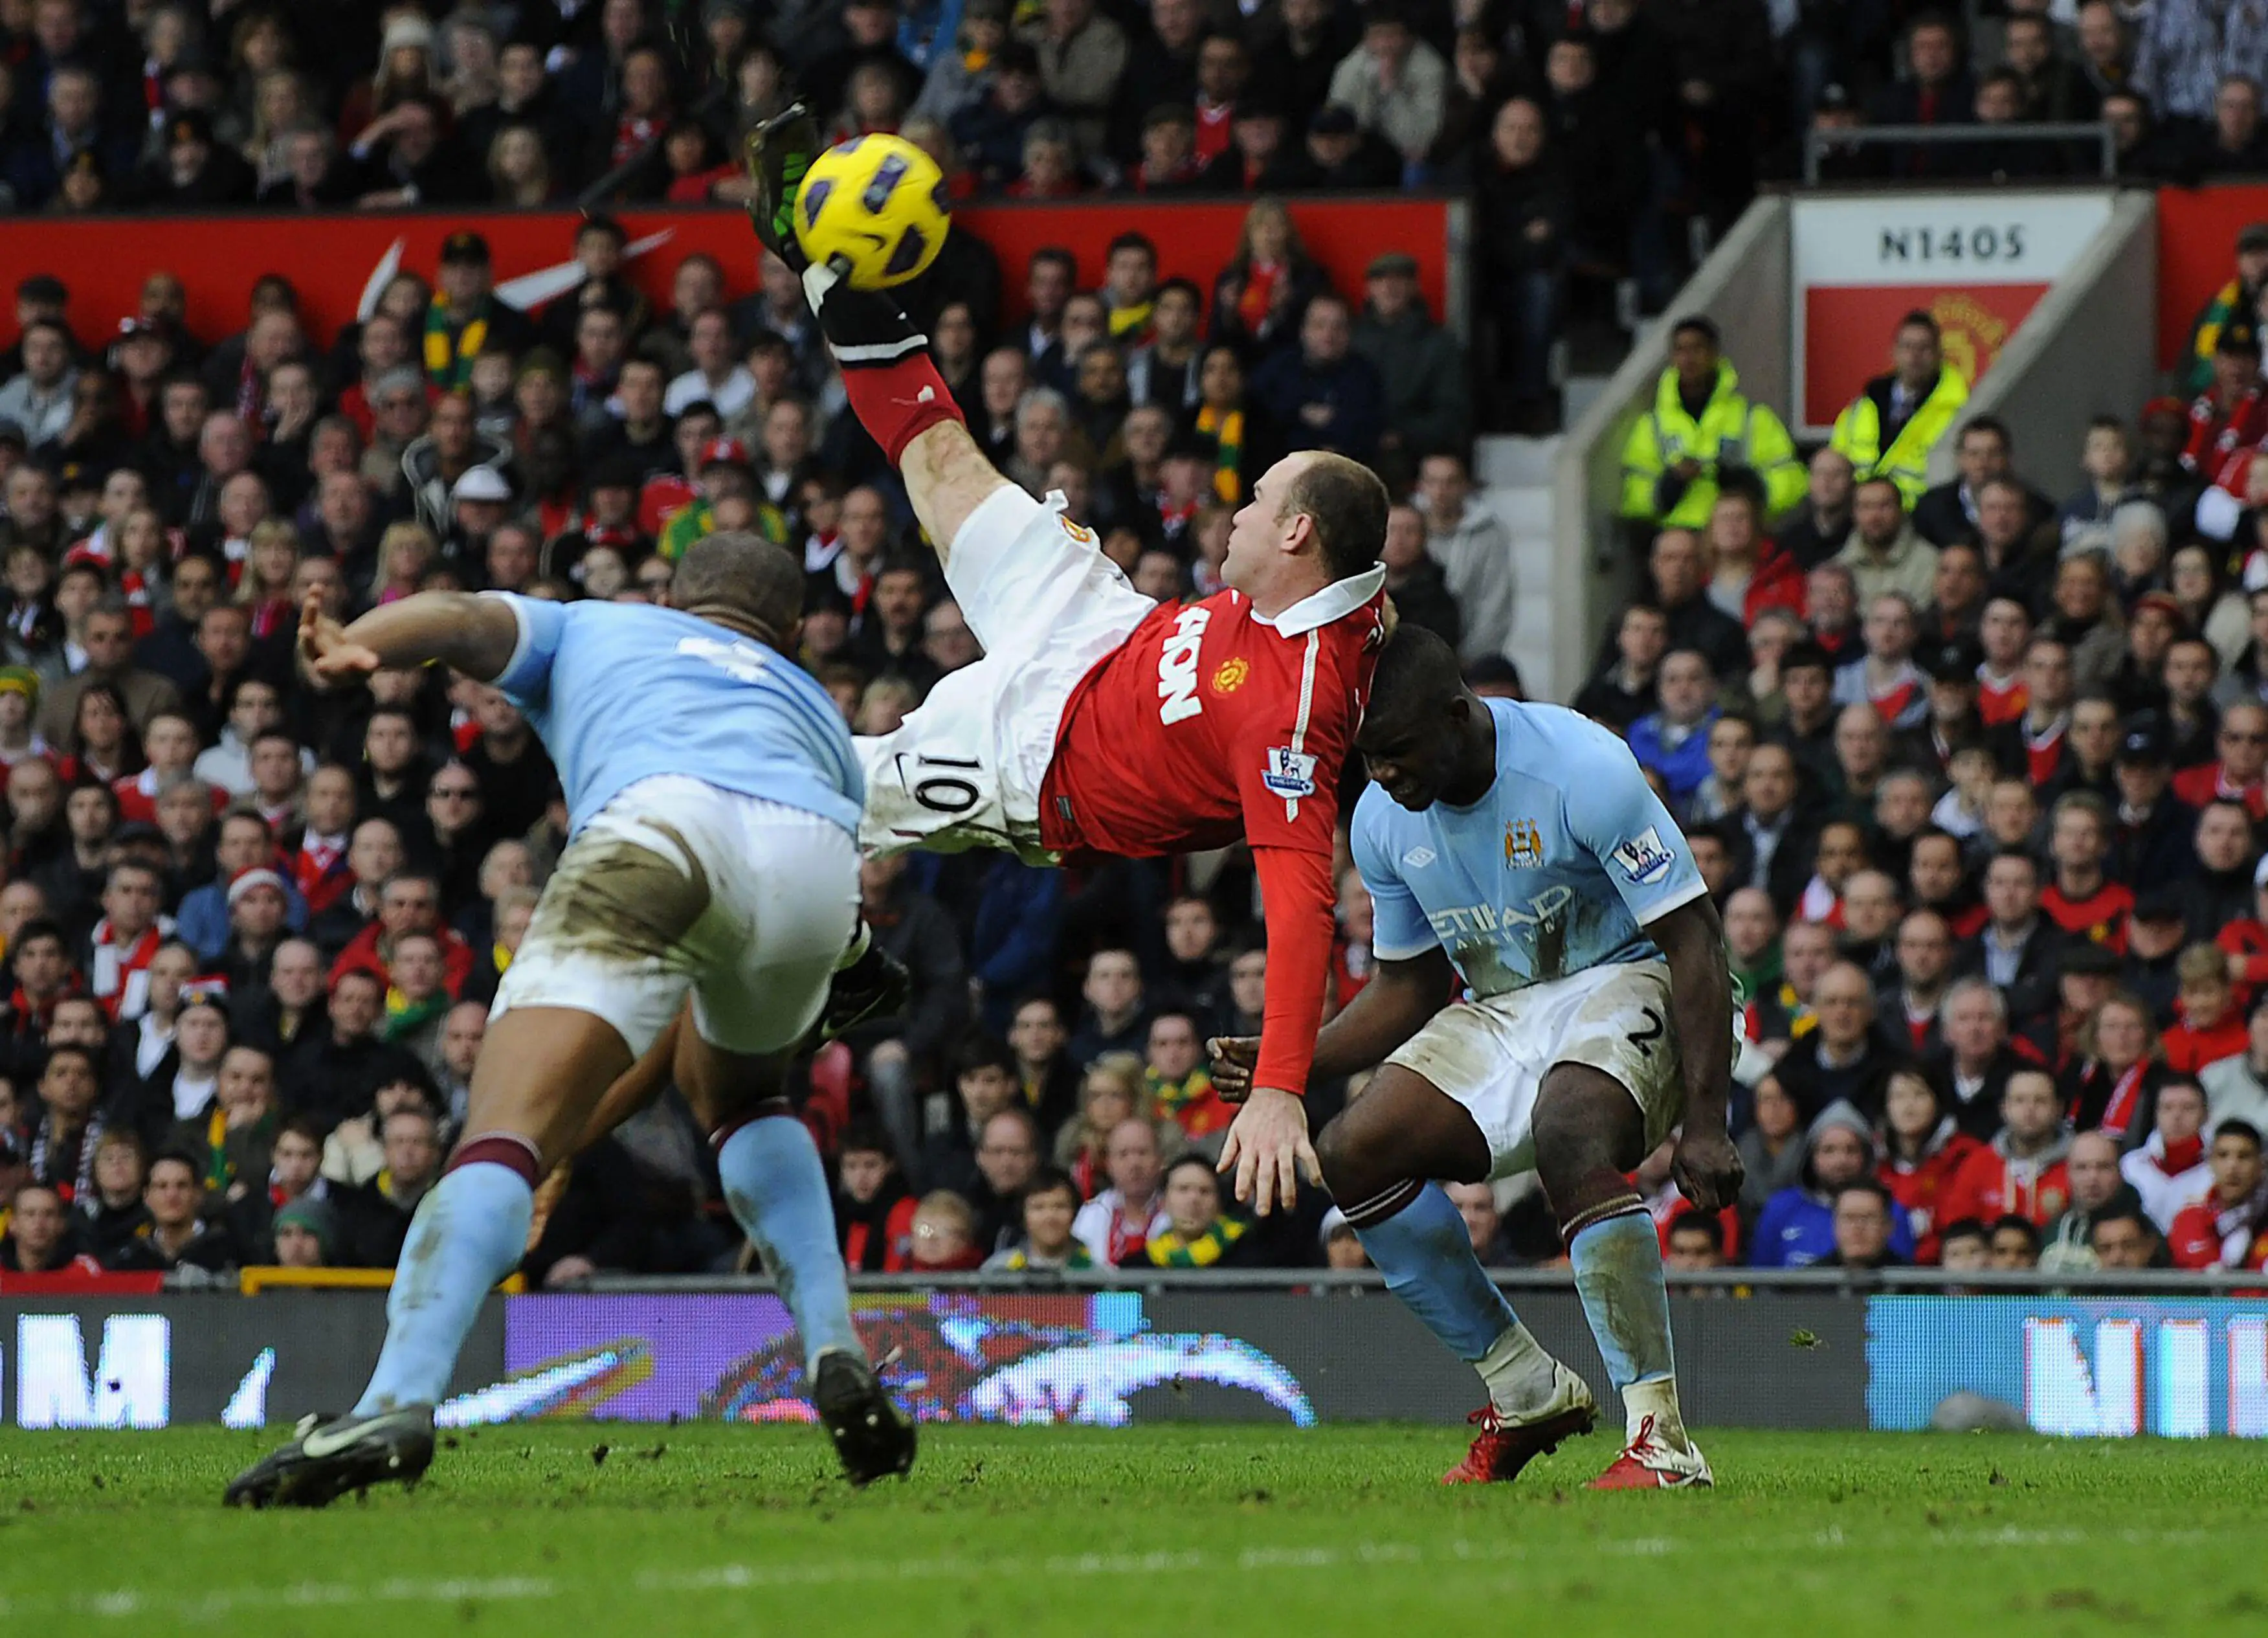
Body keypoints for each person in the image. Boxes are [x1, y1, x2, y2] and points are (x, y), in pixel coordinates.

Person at [744, 105, 1389, 1222]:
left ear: (1295, 538)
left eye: (1260, 495)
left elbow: (1299, 905)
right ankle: (825, 267)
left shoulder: (1295, 709)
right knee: (940, 460)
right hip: (1098, 624)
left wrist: (1284, 1086)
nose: (1236, 502)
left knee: (804, 782)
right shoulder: (1309, 592)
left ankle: (839, 956)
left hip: (1033, 767)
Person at [225, 530, 913, 1507]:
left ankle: (396, 1396)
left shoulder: (603, 625)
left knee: (498, 1136)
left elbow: (462, 619)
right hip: (814, 870)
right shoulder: (814, 711)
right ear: (792, 629)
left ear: (675, 597)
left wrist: (357, 641)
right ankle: (838, 1346)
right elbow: (699, 1015)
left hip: (657, 823)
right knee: (747, 1100)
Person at [1213, 626, 1740, 1488]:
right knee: (1352, 1151)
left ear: (1458, 716)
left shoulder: (1583, 765)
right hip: (1502, 1007)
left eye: (1398, 752)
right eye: (1368, 756)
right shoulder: (1384, 817)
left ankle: (1663, 1440)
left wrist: (1709, 1121)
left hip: (1630, 977)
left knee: (1571, 1130)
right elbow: (1407, 987)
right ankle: (1527, 1388)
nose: (1382, 774)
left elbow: (1696, 938)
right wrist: (1288, 1061)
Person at [1618, 316, 1802, 533]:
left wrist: (1748, 484)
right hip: (1676, 545)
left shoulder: (1754, 417)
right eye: (1680, 350)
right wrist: (1671, 483)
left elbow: (1793, 481)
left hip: (1736, 538)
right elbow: (1632, 494)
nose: (1689, 358)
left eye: (1697, 349)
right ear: (1672, 357)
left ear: (1715, 354)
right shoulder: (1651, 425)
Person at [1829, 311, 1971, 508]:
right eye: (1908, 347)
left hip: (1922, 523)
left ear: (1940, 355)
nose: (1915, 355)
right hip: (1859, 518)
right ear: (1893, 352)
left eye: (1924, 348)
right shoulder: (1861, 409)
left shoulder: (1959, 412)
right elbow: (1834, 467)